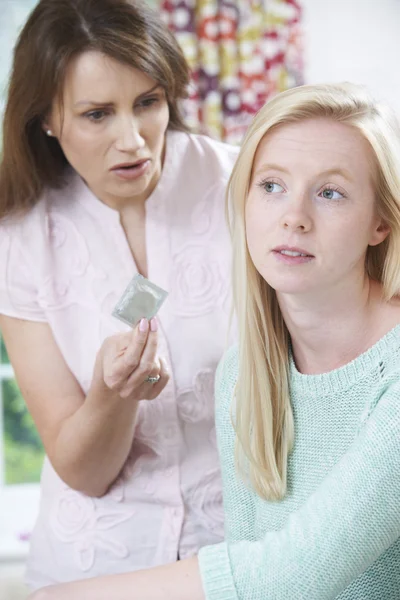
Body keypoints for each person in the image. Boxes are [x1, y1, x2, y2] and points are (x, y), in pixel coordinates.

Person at [30, 82, 400, 599]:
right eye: (271, 185)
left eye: (330, 192)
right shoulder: (243, 376)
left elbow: (293, 573)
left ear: (381, 222)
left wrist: (57, 596)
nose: (293, 216)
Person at [0, 0, 240, 590]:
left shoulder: (244, 188)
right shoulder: (21, 239)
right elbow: (82, 471)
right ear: (47, 120)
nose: (131, 140)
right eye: (97, 114)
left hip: (234, 556)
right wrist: (111, 396)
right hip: (91, 568)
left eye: (148, 103)